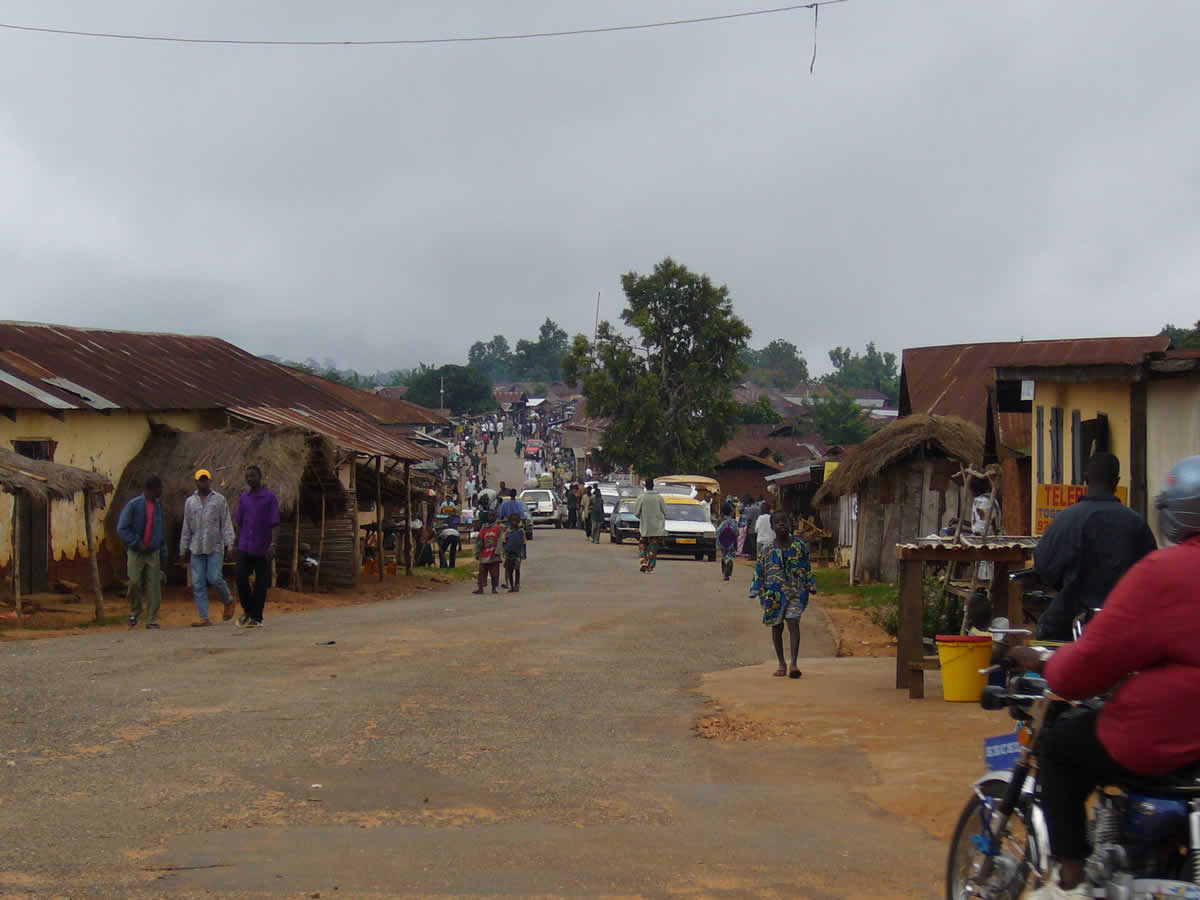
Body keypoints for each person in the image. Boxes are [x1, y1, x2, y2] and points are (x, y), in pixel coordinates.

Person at [1014, 454, 1200, 899]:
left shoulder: (1160, 569)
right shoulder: (1135, 526)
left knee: (1060, 746)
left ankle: (1071, 881)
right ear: (1117, 480)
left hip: (1092, 637)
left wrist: (1049, 665)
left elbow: (1048, 573)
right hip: (1132, 636)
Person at [1034, 452, 1158, 641]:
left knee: (1045, 650)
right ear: (1116, 481)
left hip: (1070, 623)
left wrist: (1066, 583)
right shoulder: (1136, 524)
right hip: (1125, 625)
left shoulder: (1066, 521)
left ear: (1085, 478)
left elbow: (1044, 568)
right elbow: (1152, 576)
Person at [749, 510, 816, 679]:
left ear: (790, 524)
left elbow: (807, 567)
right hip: (773, 595)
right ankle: (781, 663)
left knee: (793, 621)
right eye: (777, 522)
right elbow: (759, 571)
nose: (781, 524)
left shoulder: (800, 546)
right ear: (771, 526)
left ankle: (794, 663)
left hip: (795, 592)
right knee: (777, 626)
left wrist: (811, 583)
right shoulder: (766, 549)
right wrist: (756, 588)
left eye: (784, 521)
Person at [179, 468, 236, 626]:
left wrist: (230, 545)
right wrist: (182, 549)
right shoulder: (190, 502)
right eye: (200, 480)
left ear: (210, 481)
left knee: (214, 577)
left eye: (205, 479)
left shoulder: (219, 500)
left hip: (214, 547)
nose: (203, 482)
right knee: (197, 582)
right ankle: (204, 617)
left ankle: (228, 601)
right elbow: (186, 526)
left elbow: (226, 523)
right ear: (196, 482)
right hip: (196, 548)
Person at [117, 475, 168, 629]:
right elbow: (122, 528)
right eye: (160, 488)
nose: (162, 491)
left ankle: (151, 619)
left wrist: (163, 552)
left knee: (154, 587)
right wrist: (136, 543)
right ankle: (135, 611)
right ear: (152, 489)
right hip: (136, 551)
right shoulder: (134, 505)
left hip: (153, 552)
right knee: (134, 582)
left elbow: (160, 531)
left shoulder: (159, 506)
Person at [233, 464, 280, 628]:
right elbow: (238, 522)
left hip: (262, 547)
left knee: (261, 583)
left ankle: (256, 617)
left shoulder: (270, 498)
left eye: (252, 476)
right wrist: (236, 543)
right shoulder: (244, 497)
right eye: (247, 476)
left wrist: (272, 544)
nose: (249, 478)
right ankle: (248, 610)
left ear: (259, 477)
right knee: (240, 578)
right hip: (245, 545)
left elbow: (275, 523)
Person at [633, 478, 668, 573]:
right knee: (653, 547)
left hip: (645, 526)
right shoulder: (659, 497)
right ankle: (650, 567)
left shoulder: (642, 497)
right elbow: (665, 511)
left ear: (645, 486)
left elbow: (636, 512)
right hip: (657, 527)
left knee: (642, 544)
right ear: (653, 486)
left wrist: (643, 517)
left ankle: (643, 561)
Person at [472, 511, 503, 595]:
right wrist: (477, 552)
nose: (491, 518)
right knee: (482, 572)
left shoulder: (498, 528)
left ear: (495, 517)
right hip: (484, 554)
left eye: (493, 516)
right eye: (489, 516)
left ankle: (494, 587)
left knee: (495, 573)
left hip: (494, 555)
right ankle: (480, 588)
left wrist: (497, 551)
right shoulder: (483, 528)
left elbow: (500, 541)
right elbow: (479, 541)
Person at [502, 512, 527, 592]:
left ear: (519, 521)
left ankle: (517, 585)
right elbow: (504, 542)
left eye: (516, 521)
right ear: (510, 521)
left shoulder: (521, 531)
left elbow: (524, 543)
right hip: (509, 553)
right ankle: (512, 586)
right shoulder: (507, 532)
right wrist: (504, 553)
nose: (514, 522)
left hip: (518, 554)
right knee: (509, 570)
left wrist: (524, 553)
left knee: (517, 569)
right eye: (513, 521)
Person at [717, 502, 739, 581]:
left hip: (722, 543)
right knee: (731, 556)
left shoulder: (720, 520)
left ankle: (724, 574)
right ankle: (728, 572)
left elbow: (717, 532)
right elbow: (736, 532)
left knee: (724, 556)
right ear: (730, 511)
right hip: (731, 543)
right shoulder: (733, 521)